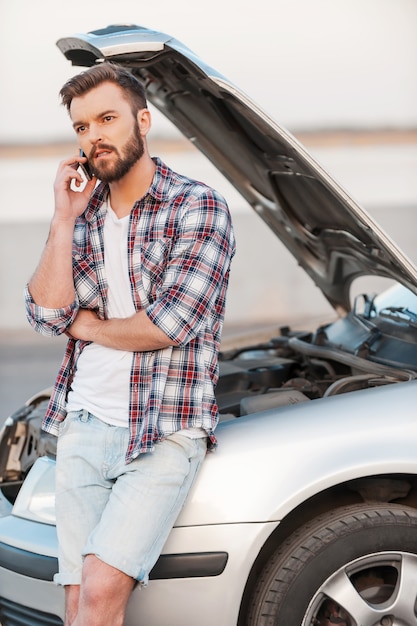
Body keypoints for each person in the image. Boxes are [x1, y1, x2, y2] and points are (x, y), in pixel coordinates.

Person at [25, 62, 235, 626]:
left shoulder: (197, 206)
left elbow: (170, 323)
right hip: (83, 424)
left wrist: (90, 327)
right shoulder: (85, 215)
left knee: (98, 594)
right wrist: (63, 218)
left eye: (107, 118)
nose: (93, 135)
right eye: (81, 126)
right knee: (76, 603)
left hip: (162, 431)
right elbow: (47, 315)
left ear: (143, 121)